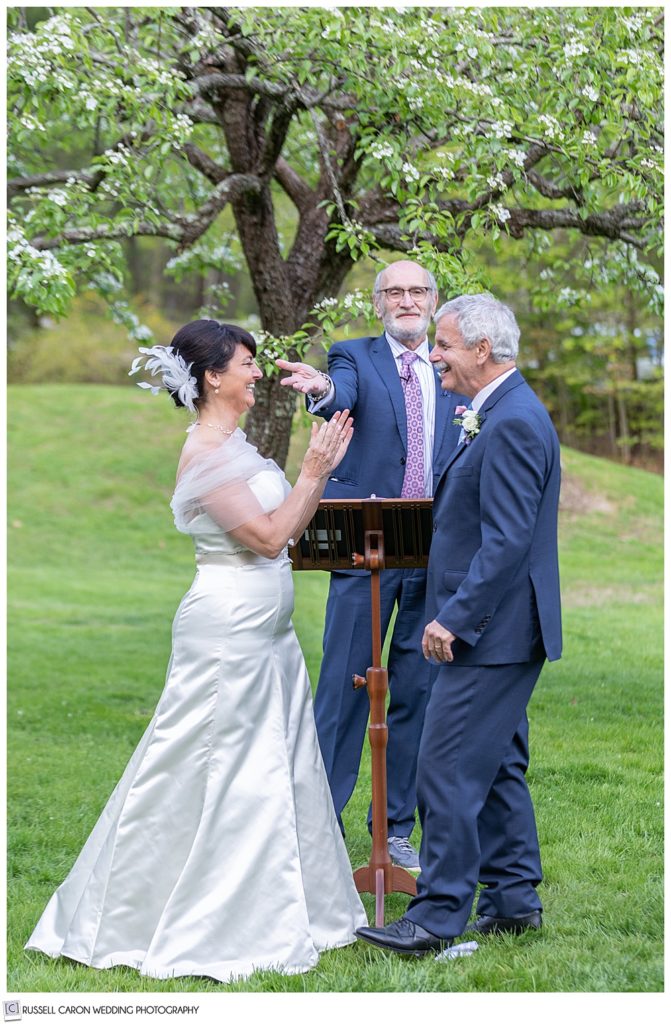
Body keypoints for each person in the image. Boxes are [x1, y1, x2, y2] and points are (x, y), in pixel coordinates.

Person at [25, 319, 367, 984]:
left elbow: (287, 534)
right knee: (202, 765)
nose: (257, 373)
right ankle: (165, 915)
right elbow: (269, 539)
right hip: (227, 633)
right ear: (212, 376)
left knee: (276, 764)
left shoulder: (233, 444)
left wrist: (315, 480)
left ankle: (288, 906)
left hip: (264, 634)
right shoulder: (208, 456)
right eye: (246, 363)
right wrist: (313, 470)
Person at [356, 293, 562, 955]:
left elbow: (505, 541)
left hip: (491, 632)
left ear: (481, 349)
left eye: (442, 345)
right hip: (499, 629)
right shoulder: (496, 411)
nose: (434, 356)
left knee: (441, 766)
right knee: (497, 765)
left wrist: (454, 618)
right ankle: (511, 902)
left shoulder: (513, 422)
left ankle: (437, 917)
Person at [277, 260, 464, 870]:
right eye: (395, 292)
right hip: (365, 550)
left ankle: (396, 827)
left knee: (417, 689)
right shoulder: (352, 355)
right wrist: (321, 392)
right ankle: (320, 823)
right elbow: (341, 397)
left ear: (433, 301)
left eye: (417, 291)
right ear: (378, 302)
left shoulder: (453, 366)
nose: (407, 301)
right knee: (344, 688)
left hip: (433, 553)